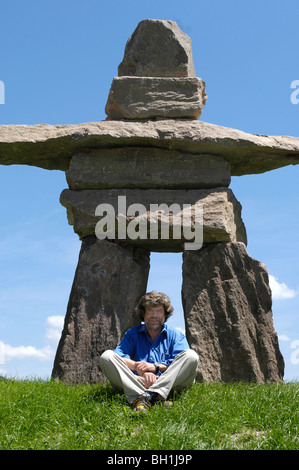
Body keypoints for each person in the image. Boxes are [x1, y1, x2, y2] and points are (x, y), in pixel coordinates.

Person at [99, 291, 199, 412]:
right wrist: (138, 368)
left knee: (191, 356)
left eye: (159, 311)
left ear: (165, 314)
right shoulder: (133, 333)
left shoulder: (175, 335)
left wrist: (154, 367)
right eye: (150, 310)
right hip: (138, 380)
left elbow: (180, 364)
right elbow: (118, 356)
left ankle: (143, 397)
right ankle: (155, 398)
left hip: (169, 382)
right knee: (106, 356)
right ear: (144, 314)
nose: (154, 315)